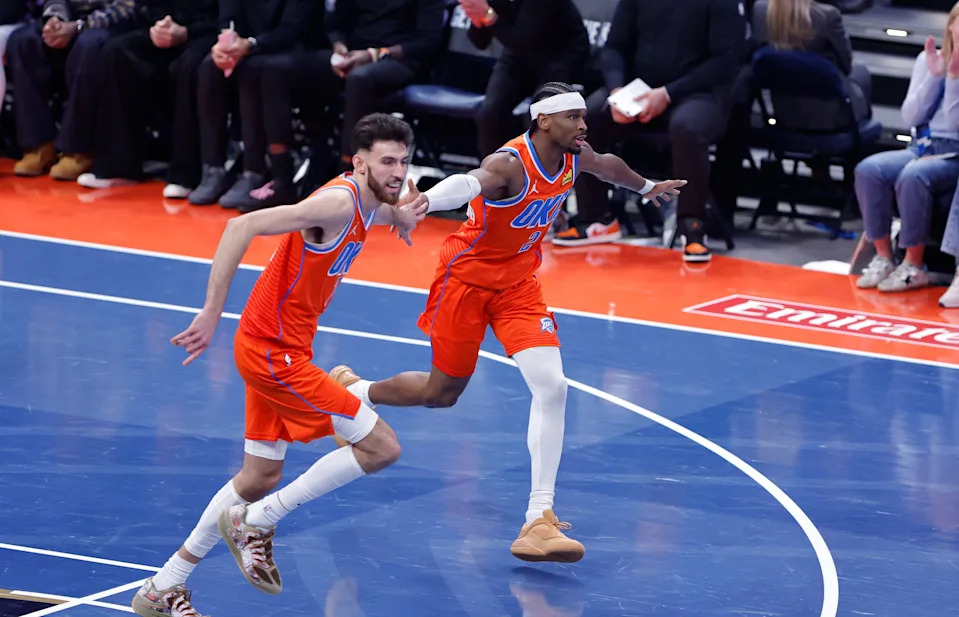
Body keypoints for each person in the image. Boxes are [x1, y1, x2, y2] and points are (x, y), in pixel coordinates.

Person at [329, 82, 685, 564]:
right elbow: (468, 182)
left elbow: (609, 167)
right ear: (543, 122)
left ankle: (539, 518)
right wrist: (425, 204)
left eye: (584, 117)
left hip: (519, 285)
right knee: (442, 393)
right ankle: (355, 391)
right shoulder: (510, 165)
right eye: (573, 118)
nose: (583, 126)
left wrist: (648, 187)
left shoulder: (576, 155)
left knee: (552, 386)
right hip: (468, 281)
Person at [130, 113, 428, 617]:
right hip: (273, 353)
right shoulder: (335, 205)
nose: (398, 172)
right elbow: (241, 223)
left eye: (403, 160)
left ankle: (164, 586)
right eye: (387, 162)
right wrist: (210, 312)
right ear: (358, 164)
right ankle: (259, 521)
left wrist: (400, 209)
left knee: (259, 474)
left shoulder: (378, 188)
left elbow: (401, 187)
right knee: (381, 447)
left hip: (276, 345)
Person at [854, 1, 959, 293]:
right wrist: (934, 76)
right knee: (870, 170)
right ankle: (884, 257)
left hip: (954, 153)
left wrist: (952, 79)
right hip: (922, 145)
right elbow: (911, 116)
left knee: (914, 175)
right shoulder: (926, 60)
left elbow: (954, 124)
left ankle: (914, 265)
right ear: (951, 25)